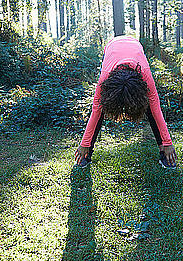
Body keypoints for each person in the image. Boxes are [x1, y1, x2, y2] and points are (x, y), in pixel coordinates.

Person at [74, 35, 177, 168]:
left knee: (150, 106)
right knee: (101, 107)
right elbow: (96, 111)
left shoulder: (144, 74)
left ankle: (163, 151)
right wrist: (84, 144)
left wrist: (167, 143)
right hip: (112, 46)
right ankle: (87, 153)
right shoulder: (105, 77)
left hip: (135, 46)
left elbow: (156, 107)